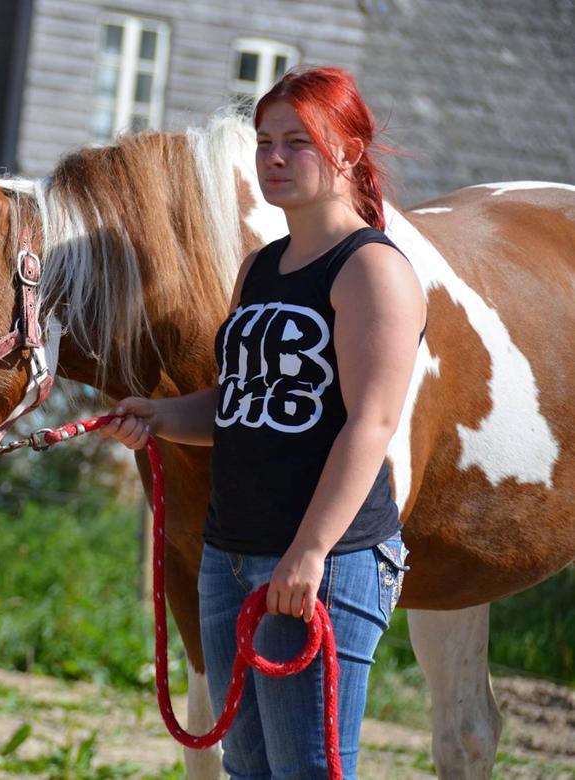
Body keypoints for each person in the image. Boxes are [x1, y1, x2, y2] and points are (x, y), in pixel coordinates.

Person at [102, 66, 424, 778]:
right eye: (265, 141)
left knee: (306, 771)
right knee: (246, 771)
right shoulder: (260, 267)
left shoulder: (370, 270)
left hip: (322, 565)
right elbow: (238, 404)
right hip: (230, 557)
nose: (273, 158)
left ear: (347, 152)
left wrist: (308, 554)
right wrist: (158, 415)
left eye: (297, 142)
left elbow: (370, 425)